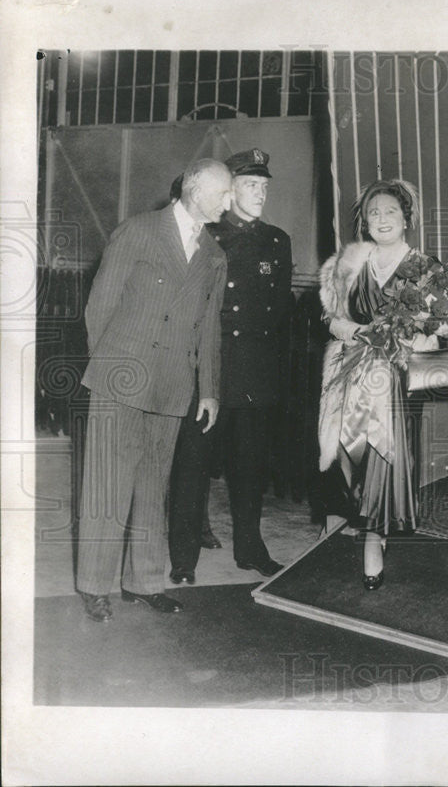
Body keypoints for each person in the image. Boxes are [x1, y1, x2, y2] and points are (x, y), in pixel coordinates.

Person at [75, 158, 230, 621]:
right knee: (109, 483)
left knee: (152, 486)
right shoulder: (139, 231)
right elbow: (99, 306)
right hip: (122, 375)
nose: (229, 202)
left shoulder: (215, 255)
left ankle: (143, 583)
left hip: (172, 384)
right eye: (222, 193)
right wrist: (111, 368)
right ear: (194, 188)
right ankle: (94, 584)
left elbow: (209, 329)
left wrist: (209, 390)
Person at [168, 149, 291, 583]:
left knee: (250, 466)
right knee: (193, 465)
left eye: (264, 186)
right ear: (229, 189)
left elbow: (279, 306)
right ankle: (183, 558)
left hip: (254, 369)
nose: (260, 193)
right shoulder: (206, 234)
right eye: (251, 185)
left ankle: (250, 548)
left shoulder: (277, 240)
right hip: (209, 366)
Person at [317, 179, 433, 590]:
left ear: (406, 219)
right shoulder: (346, 265)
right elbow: (330, 319)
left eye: (390, 212)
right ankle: (361, 522)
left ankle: (372, 536)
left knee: (387, 457)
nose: (382, 219)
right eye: (373, 213)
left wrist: (414, 335)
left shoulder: (424, 267)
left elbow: (436, 332)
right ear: (365, 223)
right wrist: (359, 332)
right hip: (353, 375)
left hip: (398, 382)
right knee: (355, 456)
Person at [168, 171, 223, 552]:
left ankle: (196, 525)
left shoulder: (212, 250)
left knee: (193, 456)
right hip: (159, 364)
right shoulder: (151, 238)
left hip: (197, 364)